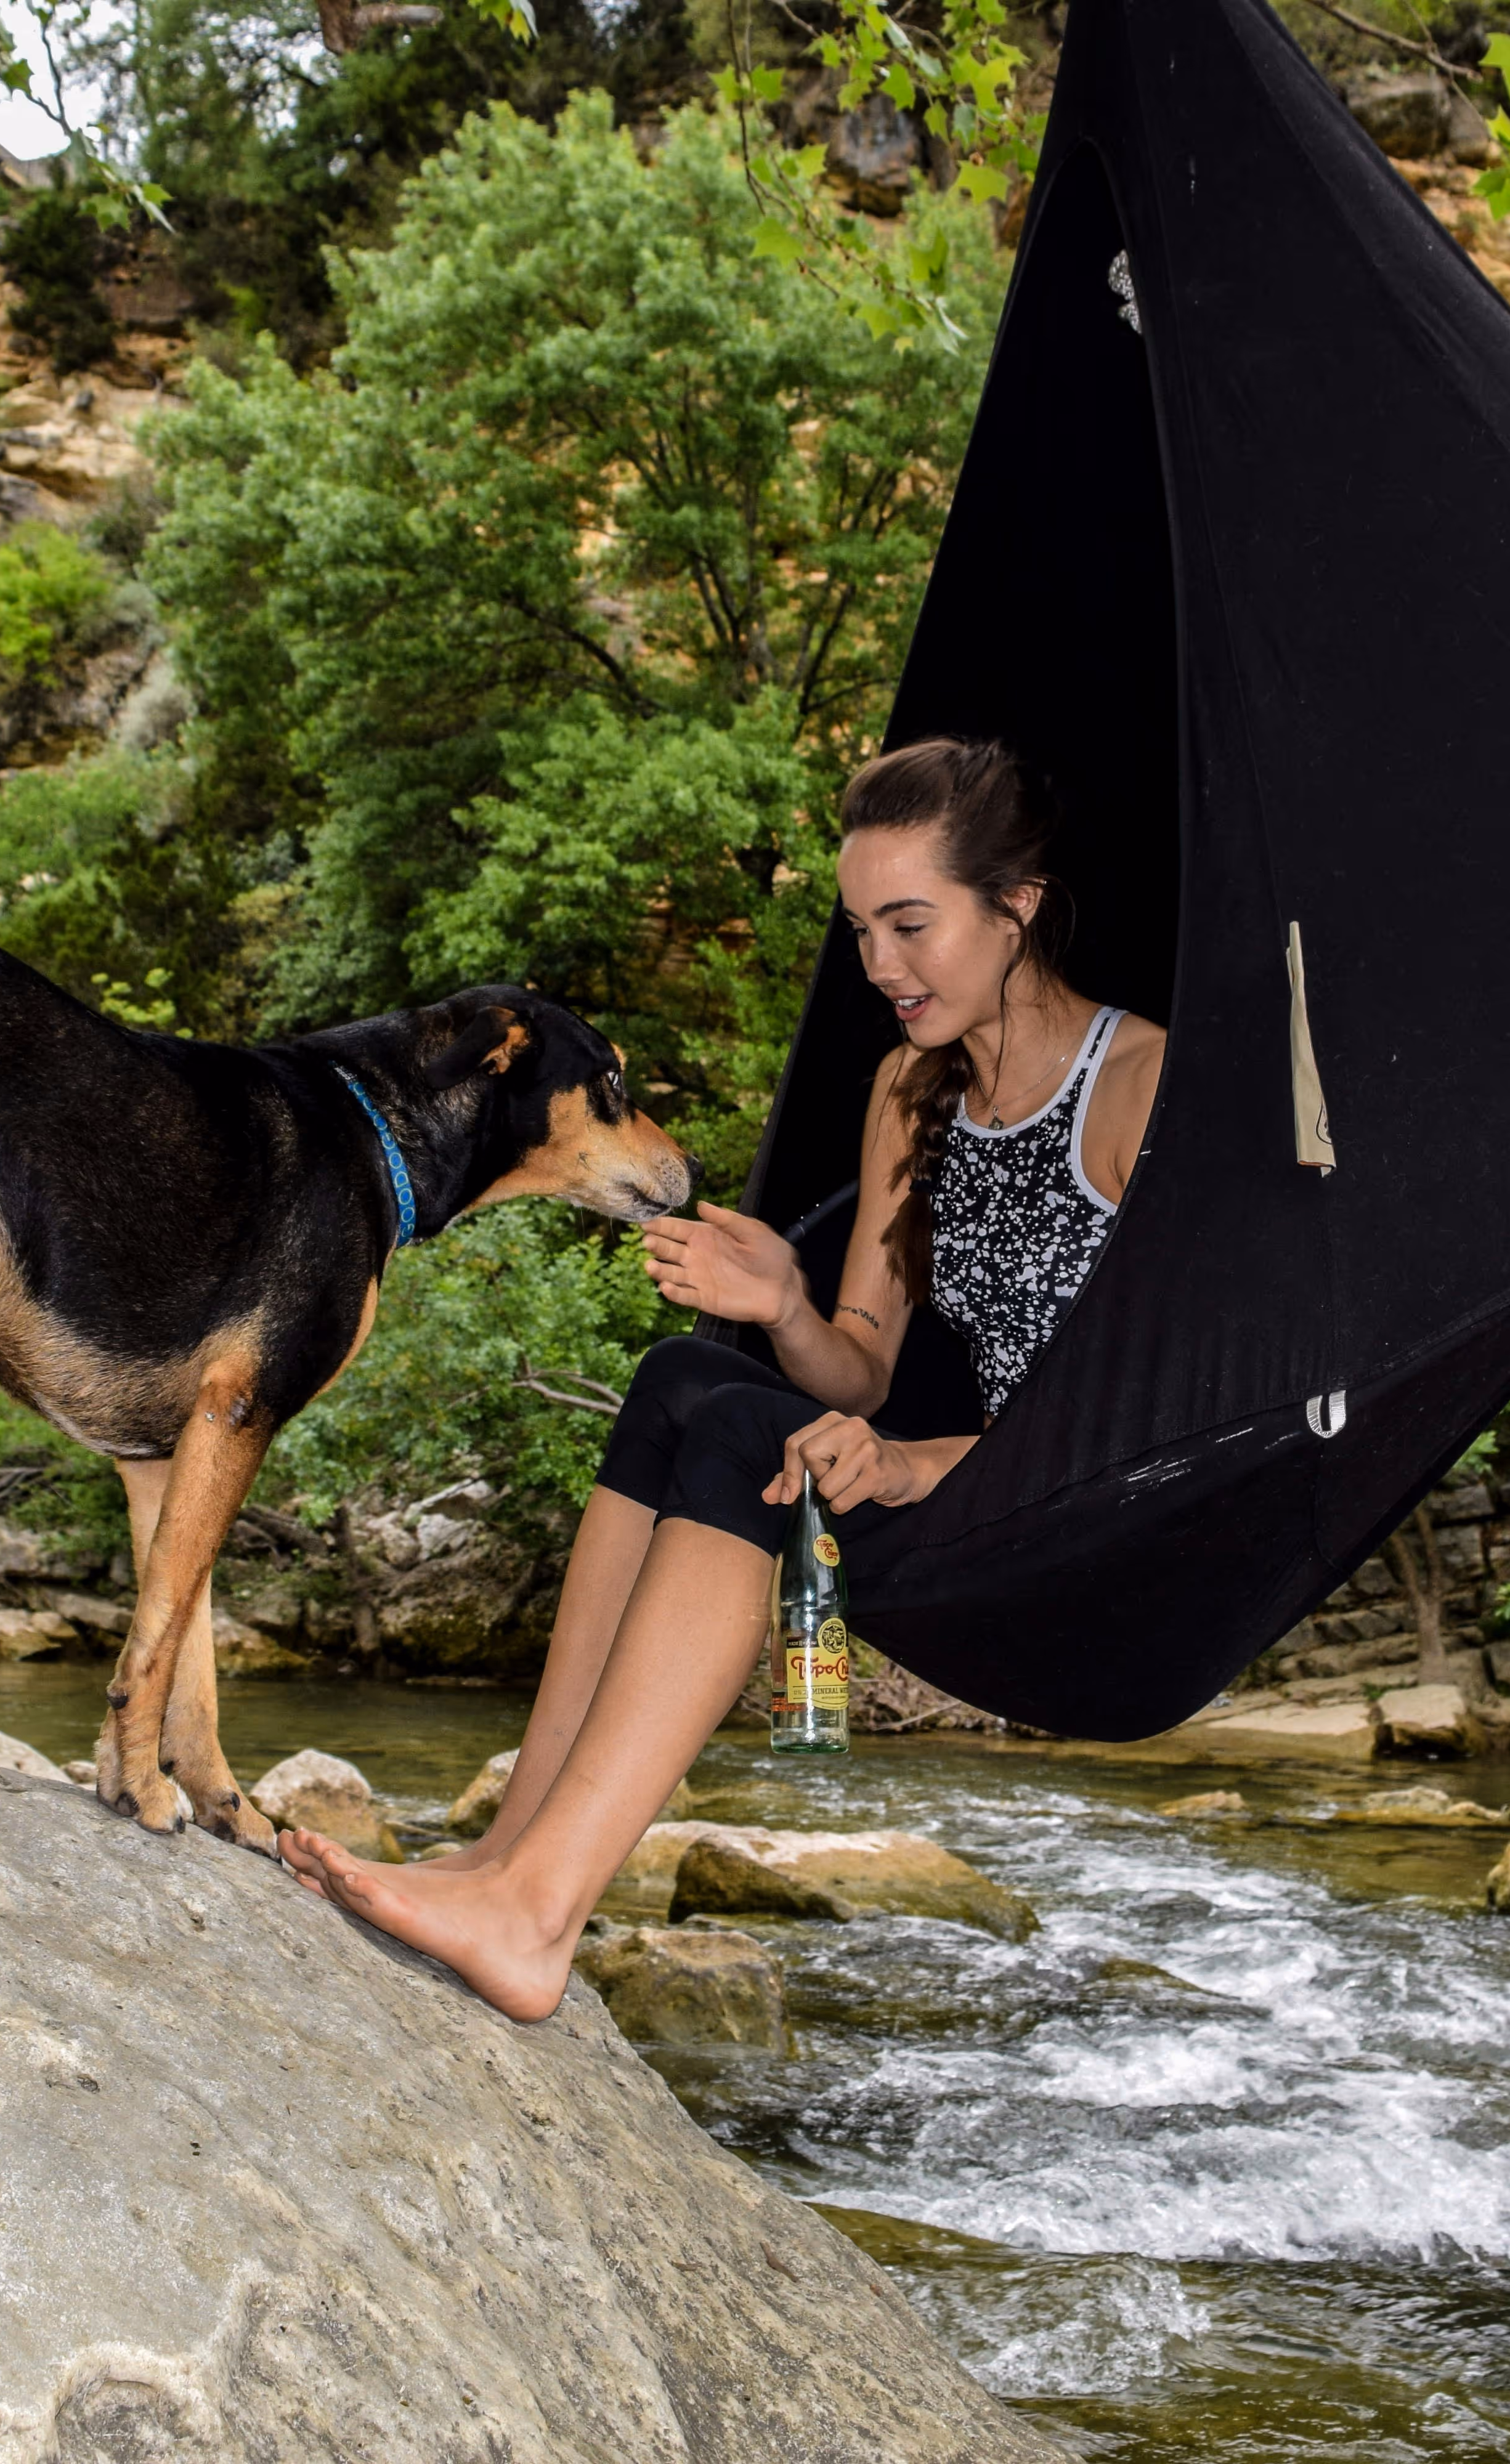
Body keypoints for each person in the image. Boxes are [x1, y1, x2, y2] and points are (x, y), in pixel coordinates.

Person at [275, 738, 1166, 2017]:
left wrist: (915, 1460)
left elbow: (1148, 1425)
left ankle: (537, 1919)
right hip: (947, 1497)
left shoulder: (1139, 1089)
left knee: (745, 1421)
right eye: (861, 930)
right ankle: (506, 1851)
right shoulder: (912, 1086)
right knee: (688, 1376)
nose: (880, 967)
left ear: (1016, 906)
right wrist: (788, 1302)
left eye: (910, 925)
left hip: (1080, 1521)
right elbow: (856, 1368)